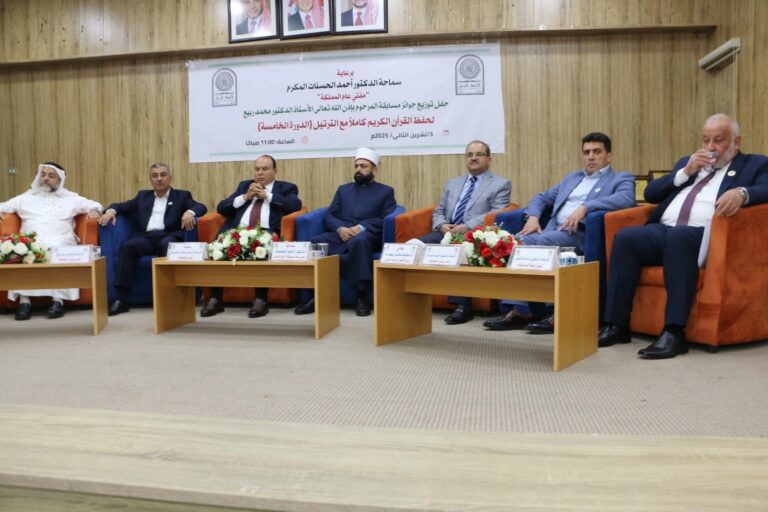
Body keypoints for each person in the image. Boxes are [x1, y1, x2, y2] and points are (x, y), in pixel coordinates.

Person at [599, 114, 768, 359]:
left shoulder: (754, 164)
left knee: (679, 237)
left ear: (736, 142)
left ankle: (674, 332)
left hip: (704, 235)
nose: (711, 147)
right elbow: (651, 193)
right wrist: (686, 172)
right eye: (706, 140)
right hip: (664, 230)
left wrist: (742, 193)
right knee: (627, 238)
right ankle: (616, 325)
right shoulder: (687, 164)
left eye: (719, 140)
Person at [483, 132, 636, 333]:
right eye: (587, 152)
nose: (591, 157)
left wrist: (586, 207)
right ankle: (520, 310)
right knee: (518, 241)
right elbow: (541, 197)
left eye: (597, 152)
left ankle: (555, 312)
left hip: (582, 234)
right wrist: (533, 216)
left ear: (609, 156)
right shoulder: (573, 178)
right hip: (553, 231)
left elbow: (626, 198)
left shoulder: (620, 178)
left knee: (546, 240)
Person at [294, 147, 396, 316]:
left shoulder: (386, 191)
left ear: (374, 170)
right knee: (315, 243)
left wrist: (361, 227)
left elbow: (385, 217)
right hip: (341, 234)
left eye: (363, 166)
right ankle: (315, 296)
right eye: (356, 166)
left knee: (360, 241)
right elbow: (330, 215)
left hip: (366, 235)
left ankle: (361, 296)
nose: (358, 169)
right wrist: (340, 228)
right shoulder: (343, 190)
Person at [419, 140, 511, 325]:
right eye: (470, 155)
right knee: (416, 246)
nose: (474, 158)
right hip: (447, 231)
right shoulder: (453, 183)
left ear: (489, 159)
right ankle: (412, 299)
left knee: (459, 247)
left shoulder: (500, 184)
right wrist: (442, 224)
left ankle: (463, 306)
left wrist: (467, 226)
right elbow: (439, 209)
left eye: (479, 154)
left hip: (475, 234)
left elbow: (496, 213)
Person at [200, 155, 302, 319]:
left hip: (265, 232)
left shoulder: (286, 187)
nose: (260, 173)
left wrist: (266, 195)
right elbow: (222, 208)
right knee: (218, 248)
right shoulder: (244, 186)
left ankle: (260, 299)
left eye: (265, 169)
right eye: (257, 169)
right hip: (237, 231)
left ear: (275, 171)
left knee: (260, 247)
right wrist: (245, 197)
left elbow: (294, 205)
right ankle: (216, 299)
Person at [99, 163, 207, 316]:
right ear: (151, 179)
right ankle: (121, 299)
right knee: (128, 246)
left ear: (170, 177)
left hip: (168, 236)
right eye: (155, 176)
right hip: (147, 238)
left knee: (167, 245)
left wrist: (190, 212)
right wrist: (110, 211)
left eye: (163, 175)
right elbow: (121, 206)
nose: (159, 179)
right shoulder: (143, 196)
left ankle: (169, 297)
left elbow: (201, 207)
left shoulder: (182, 195)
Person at [0, 162, 102, 320]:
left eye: (51, 175)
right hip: (32, 241)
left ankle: (58, 301)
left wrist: (94, 210)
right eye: (43, 175)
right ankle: (24, 302)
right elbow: (4, 206)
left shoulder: (70, 198)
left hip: (61, 240)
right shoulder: (26, 197)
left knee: (59, 250)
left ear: (60, 180)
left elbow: (94, 205)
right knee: (23, 249)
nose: (46, 178)